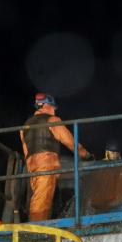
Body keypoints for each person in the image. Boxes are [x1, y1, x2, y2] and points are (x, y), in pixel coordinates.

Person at [19, 93, 92, 221]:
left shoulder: (25, 127)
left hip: (32, 168)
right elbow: (70, 142)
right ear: (46, 105)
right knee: (42, 201)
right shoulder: (52, 120)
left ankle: (40, 225)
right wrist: (86, 155)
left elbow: (26, 152)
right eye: (53, 107)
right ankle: (37, 231)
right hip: (47, 165)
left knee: (38, 198)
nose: (54, 110)